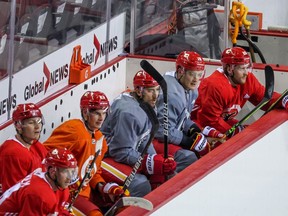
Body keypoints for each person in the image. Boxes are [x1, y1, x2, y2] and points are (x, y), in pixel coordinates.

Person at [44, 91, 127, 216]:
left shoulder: (100, 140)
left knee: (124, 202)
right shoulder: (74, 130)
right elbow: (43, 154)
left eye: (104, 113)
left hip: (84, 194)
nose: (101, 118)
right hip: (65, 195)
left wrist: (104, 187)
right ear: (85, 113)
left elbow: (93, 173)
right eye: (97, 113)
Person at [101, 70, 177, 196]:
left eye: (157, 89)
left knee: (162, 173)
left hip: (123, 151)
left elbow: (144, 139)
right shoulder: (129, 113)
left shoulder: (146, 104)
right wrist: (150, 162)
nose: (155, 95)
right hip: (103, 158)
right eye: (150, 90)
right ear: (138, 90)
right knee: (140, 184)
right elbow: (119, 151)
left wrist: (157, 161)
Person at [192, 47, 288, 136]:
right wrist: (236, 133)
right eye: (242, 68)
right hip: (198, 125)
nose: (246, 73)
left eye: (247, 67)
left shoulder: (247, 79)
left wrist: (283, 100)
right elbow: (209, 121)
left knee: (250, 134)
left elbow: (265, 99)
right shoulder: (216, 85)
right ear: (229, 69)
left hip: (221, 120)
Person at [154, 51, 226, 159]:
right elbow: (162, 132)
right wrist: (187, 141)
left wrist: (199, 130)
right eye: (192, 74)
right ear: (180, 71)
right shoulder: (172, 95)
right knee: (189, 157)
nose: (196, 79)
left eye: (199, 74)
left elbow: (183, 118)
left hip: (166, 134)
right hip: (151, 139)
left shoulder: (191, 89)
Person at [0, 148, 78, 215]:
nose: (69, 178)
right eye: (66, 172)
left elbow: (57, 212)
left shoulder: (60, 187)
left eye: (72, 172)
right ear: (52, 171)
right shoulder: (39, 193)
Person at [0, 103, 47, 195]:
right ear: (18, 126)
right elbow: (13, 196)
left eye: (38, 121)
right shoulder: (14, 154)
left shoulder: (35, 145)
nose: (37, 127)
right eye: (31, 122)